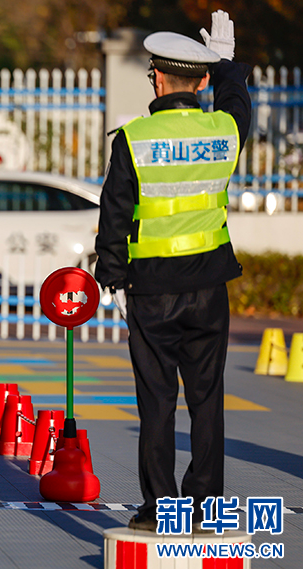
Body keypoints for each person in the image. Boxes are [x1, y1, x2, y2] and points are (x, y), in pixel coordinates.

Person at [93, 11, 251, 532]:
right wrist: (226, 64)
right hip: (209, 289)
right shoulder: (224, 130)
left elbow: (114, 217)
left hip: (151, 292)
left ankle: (162, 511)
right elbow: (238, 100)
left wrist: (112, 278)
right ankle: (206, 508)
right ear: (200, 83)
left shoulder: (134, 140)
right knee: (207, 401)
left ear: (157, 78)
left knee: (157, 403)